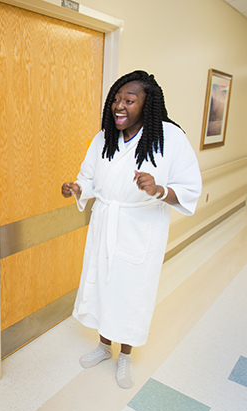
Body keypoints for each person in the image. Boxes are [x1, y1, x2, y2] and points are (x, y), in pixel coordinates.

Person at [61, 70, 202, 389]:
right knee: (102, 284)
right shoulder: (104, 138)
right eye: (116, 98)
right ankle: (102, 345)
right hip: (106, 223)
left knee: (131, 292)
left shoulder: (170, 138)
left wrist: (159, 190)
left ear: (147, 103)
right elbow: (90, 177)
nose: (119, 105)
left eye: (129, 99)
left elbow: (190, 188)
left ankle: (125, 355)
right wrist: (77, 188)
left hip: (141, 228)